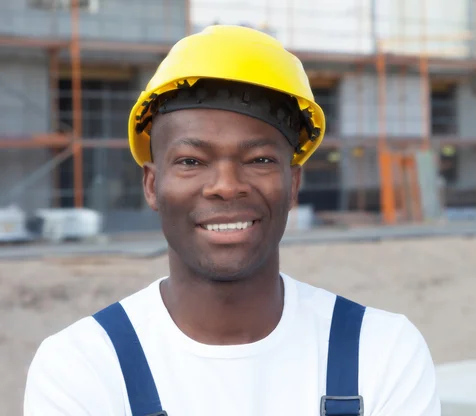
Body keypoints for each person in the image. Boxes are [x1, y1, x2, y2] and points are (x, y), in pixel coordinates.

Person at [24, 25, 440, 416]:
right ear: (152, 185)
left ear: (292, 184)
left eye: (259, 160)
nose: (226, 186)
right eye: (191, 161)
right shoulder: (82, 368)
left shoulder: (382, 352)